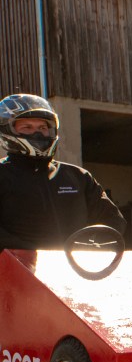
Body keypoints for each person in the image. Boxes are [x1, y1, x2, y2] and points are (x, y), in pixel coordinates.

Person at [0, 93, 124, 250]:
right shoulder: (2, 174)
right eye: (27, 127)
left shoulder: (78, 177)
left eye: (42, 127)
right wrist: (28, 253)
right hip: (15, 270)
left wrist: (91, 247)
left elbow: (113, 220)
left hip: (74, 269)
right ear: (7, 130)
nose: (37, 133)